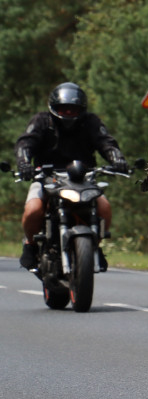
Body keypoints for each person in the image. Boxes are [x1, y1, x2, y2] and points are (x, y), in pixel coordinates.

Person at [14, 82, 127, 271]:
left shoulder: (91, 122)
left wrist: (117, 159)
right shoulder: (42, 121)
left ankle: (96, 246)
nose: (68, 113)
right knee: (33, 209)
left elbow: (106, 142)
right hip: (47, 176)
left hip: (83, 178)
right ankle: (30, 245)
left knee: (104, 207)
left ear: (81, 109)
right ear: (53, 107)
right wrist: (24, 163)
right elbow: (25, 143)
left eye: (73, 109)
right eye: (63, 109)